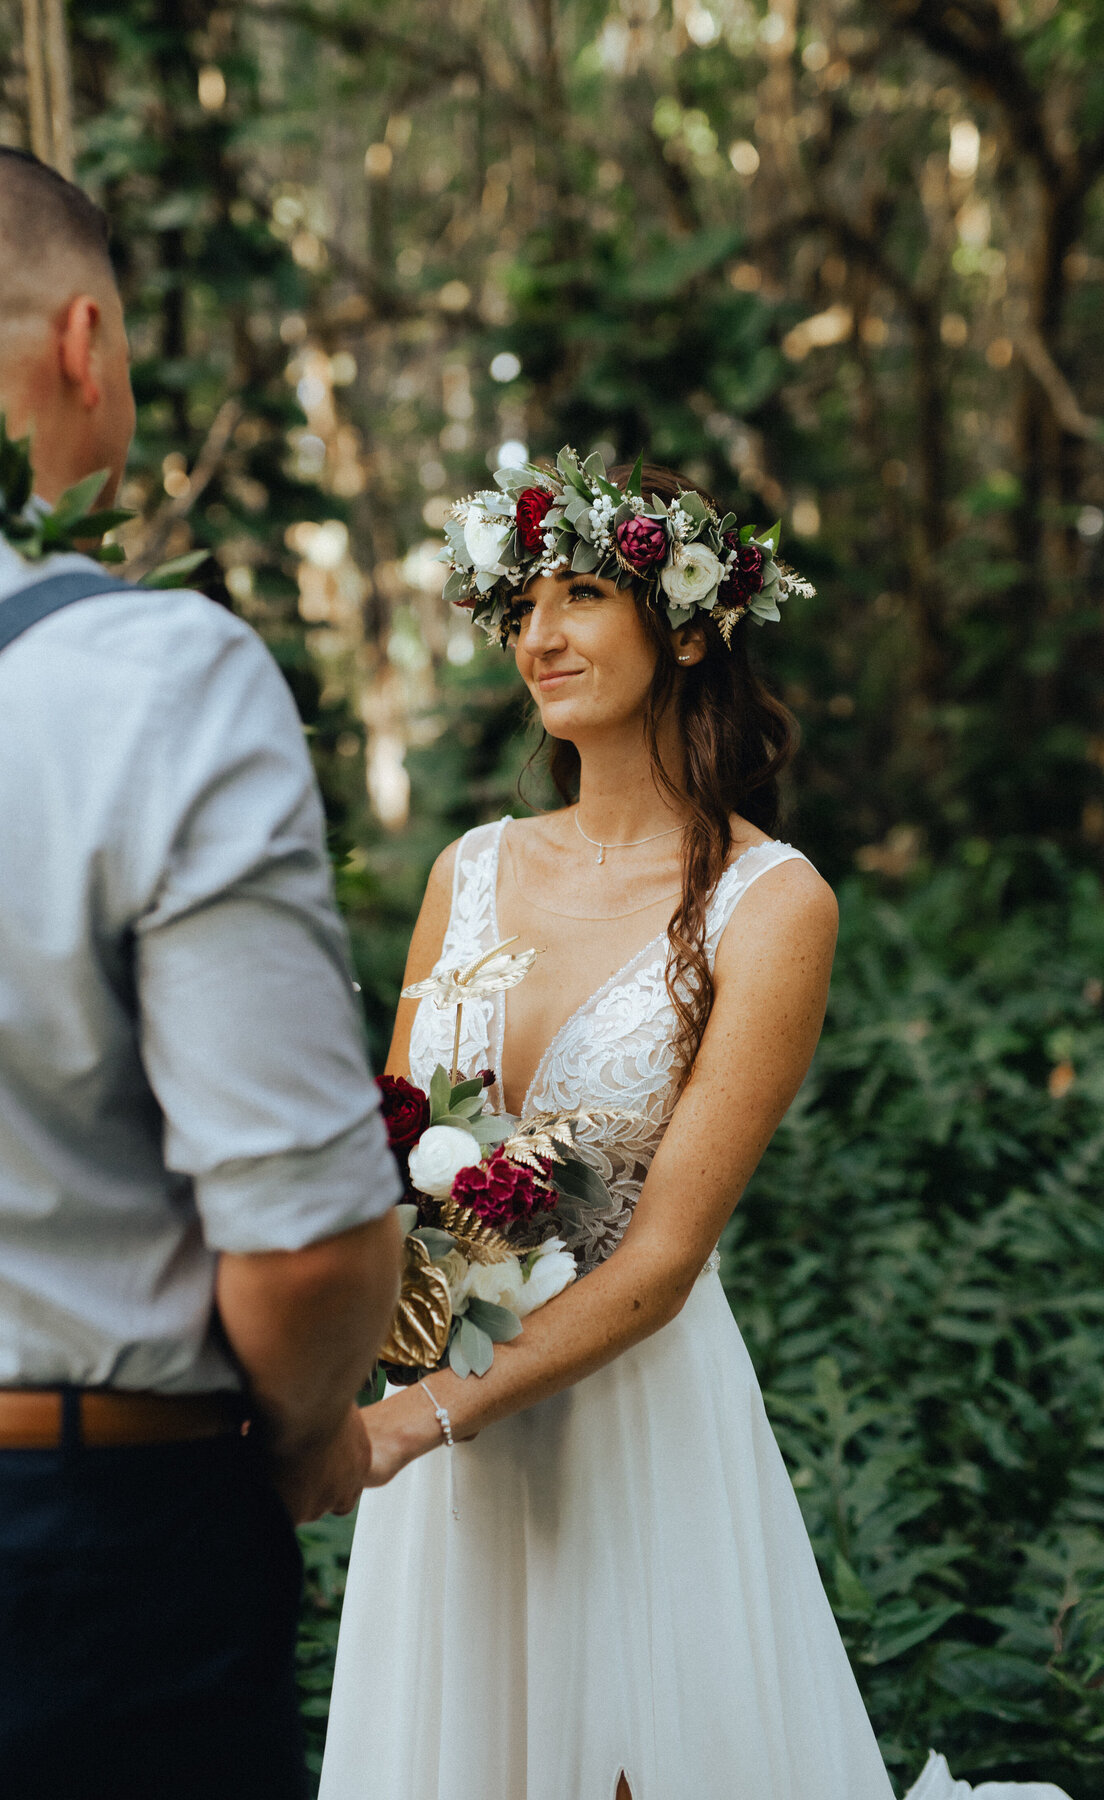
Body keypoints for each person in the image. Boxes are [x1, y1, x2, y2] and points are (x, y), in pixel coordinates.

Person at [0, 141, 400, 1800]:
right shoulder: (155, 680)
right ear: (84, 344)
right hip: (54, 1579)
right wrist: (305, 1430)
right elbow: (306, 1237)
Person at [319, 455, 898, 1800]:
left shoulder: (771, 902)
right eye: (522, 603)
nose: (539, 634)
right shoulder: (468, 869)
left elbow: (667, 1255)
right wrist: (354, 1375)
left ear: (689, 624)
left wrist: (423, 1421)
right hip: (444, 1399)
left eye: (582, 593)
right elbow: (391, 1168)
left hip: (632, 1423)